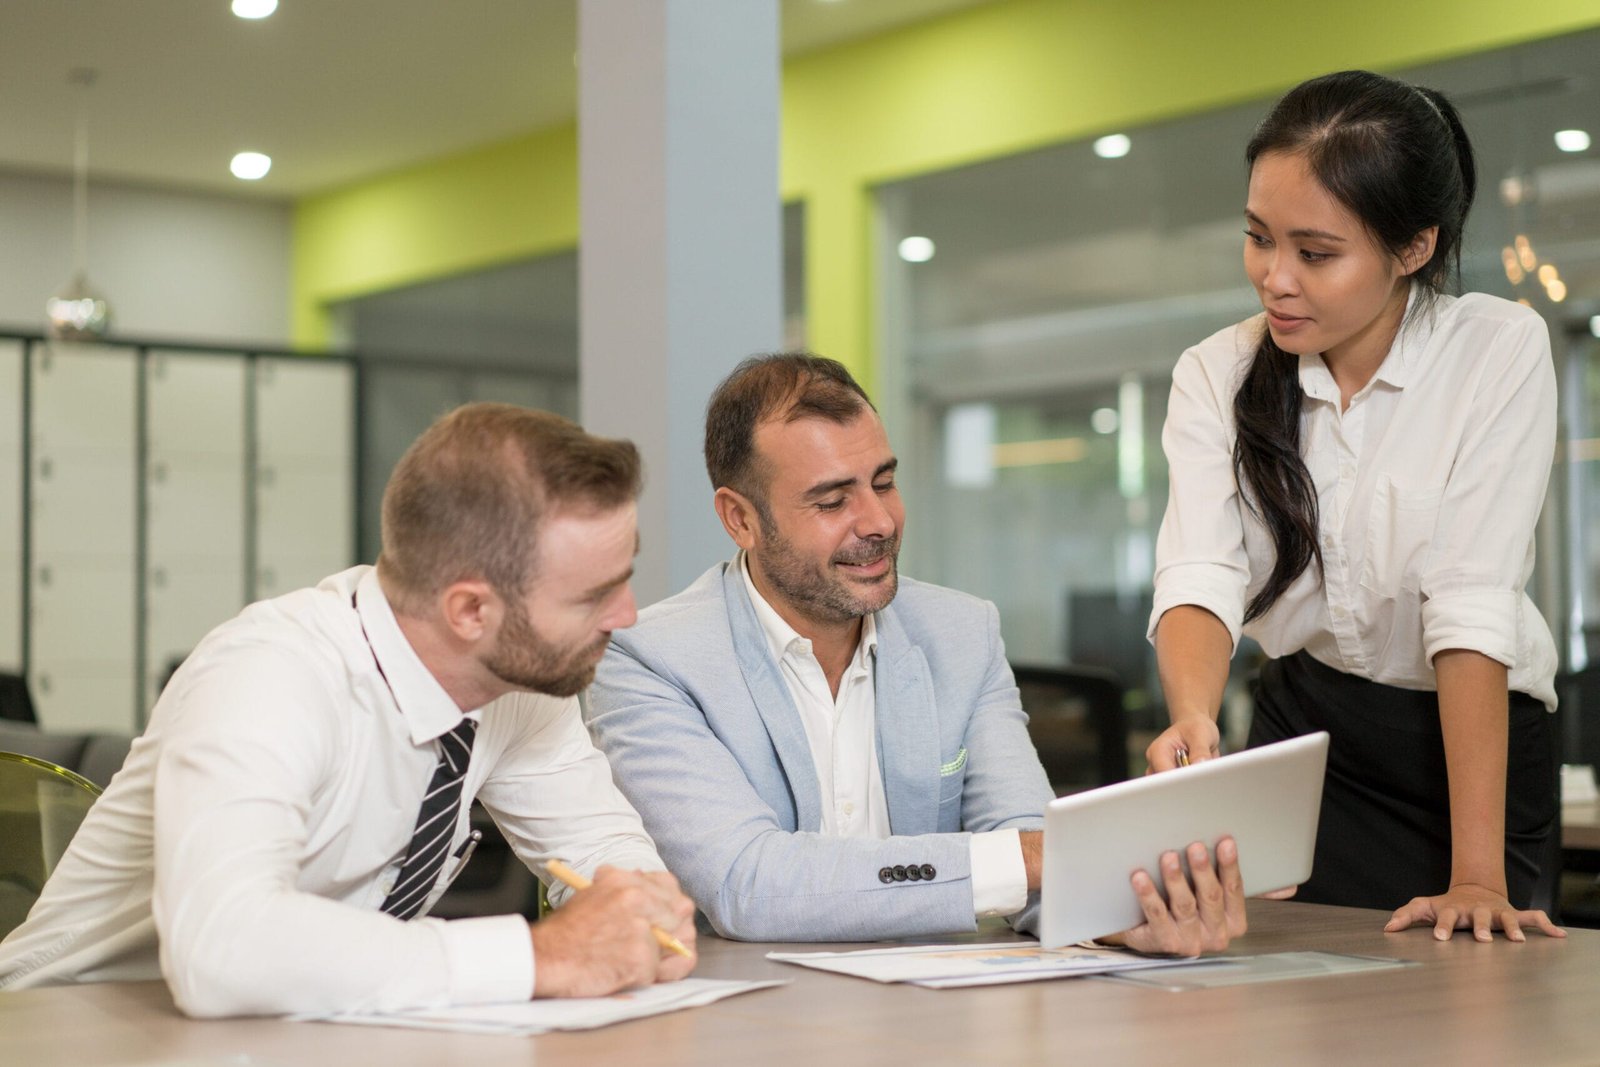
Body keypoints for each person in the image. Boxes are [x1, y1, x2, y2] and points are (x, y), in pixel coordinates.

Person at [0, 404, 698, 1015]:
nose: (628, 615)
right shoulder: (270, 673)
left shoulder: (521, 682)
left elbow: (607, 857)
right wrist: (541, 956)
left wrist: (641, 915)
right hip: (75, 1027)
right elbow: (222, 947)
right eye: (592, 596)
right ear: (470, 610)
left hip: (303, 1032)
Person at [588, 353, 1249, 953]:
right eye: (832, 499)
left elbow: (1032, 844)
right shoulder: (651, 658)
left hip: (935, 1019)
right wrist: (1024, 863)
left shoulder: (963, 633)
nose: (878, 521)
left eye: (883, 481)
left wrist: (1116, 912)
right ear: (741, 519)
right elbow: (747, 883)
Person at [1146, 69, 1565, 943]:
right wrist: (1191, 711)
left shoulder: (1497, 348)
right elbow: (1200, 568)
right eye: (1259, 238)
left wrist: (1478, 875)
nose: (1275, 278)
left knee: (1477, 992)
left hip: (1471, 746)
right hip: (1309, 732)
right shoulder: (1216, 372)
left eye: (1316, 252)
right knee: (1294, 998)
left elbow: (1471, 604)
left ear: (1414, 247)